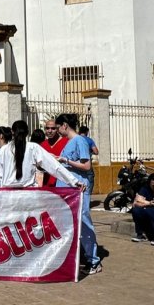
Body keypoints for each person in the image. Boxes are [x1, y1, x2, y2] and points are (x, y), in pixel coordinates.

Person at [55, 114, 102, 275]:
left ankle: (93, 260)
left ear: (65, 125)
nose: (57, 130)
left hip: (78, 189)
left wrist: (66, 161)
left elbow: (87, 165)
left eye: (58, 126)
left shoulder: (79, 141)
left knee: (84, 222)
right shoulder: (68, 142)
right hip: (68, 190)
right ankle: (79, 256)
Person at [0, 121, 81, 189]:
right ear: (28, 133)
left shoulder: (3, 150)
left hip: (7, 196)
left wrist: (0, 196)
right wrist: (74, 182)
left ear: (12, 132)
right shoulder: (33, 148)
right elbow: (54, 166)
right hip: (28, 195)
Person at [40, 119, 69, 187]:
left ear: (58, 129)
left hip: (62, 182)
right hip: (47, 183)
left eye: (53, 128)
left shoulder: (66, 142)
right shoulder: (42, 145)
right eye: (47, 128)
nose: (50, 131)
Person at [131, 173, 154, 244]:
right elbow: (136, 202)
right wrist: (149, 203)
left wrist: (144, 202)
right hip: (148, 209)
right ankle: (140, 235)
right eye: (153, 180)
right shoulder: (145, 189)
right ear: (150, 181)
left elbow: (141, 201)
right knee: (136, 210)